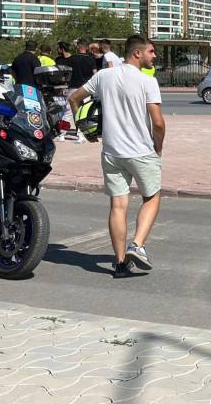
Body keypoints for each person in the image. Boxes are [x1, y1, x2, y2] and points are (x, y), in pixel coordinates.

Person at [67, 35, 166, 279]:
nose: (154, 56)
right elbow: (159, 123)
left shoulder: (103, 76)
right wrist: (158, 146)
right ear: (137, 53)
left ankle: (120, 264)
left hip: (111, 152)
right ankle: (137, 245)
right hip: (141, 151)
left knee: (118, 205)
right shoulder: (147, 81)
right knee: (152, 197)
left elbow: (73, 98)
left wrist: (85, 129)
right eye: (151, 51)